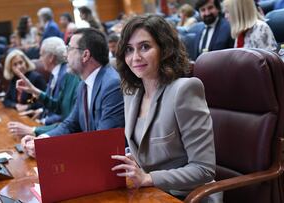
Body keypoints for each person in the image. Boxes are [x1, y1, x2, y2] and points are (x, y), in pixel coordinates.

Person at [111, 15, 218, 201]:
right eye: (129, 49)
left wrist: (148, 178)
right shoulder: (131, 94)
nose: (135, 57)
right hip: (150, 193)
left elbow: (204, 169)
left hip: (187, 196)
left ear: (164, 49)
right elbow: (144, 149)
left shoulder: (184, 90)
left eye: (145, 47)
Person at [19, 28, 125, 158]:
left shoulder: (111, 85)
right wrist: (43, 140)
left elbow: (103, 140)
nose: (65, 55)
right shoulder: (83, 85)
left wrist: (51, 147)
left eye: (69, 49)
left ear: (85, 55)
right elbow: (71, 124)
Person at [7, 37, 80, 136]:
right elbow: (58, 105)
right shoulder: (55, 73)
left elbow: (65, 115)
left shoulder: (67, 75)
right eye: (15, 65)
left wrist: (37, 127)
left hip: (58, 130)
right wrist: (34, 92)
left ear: (50, 57)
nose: (40, 59)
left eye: (41, 55)